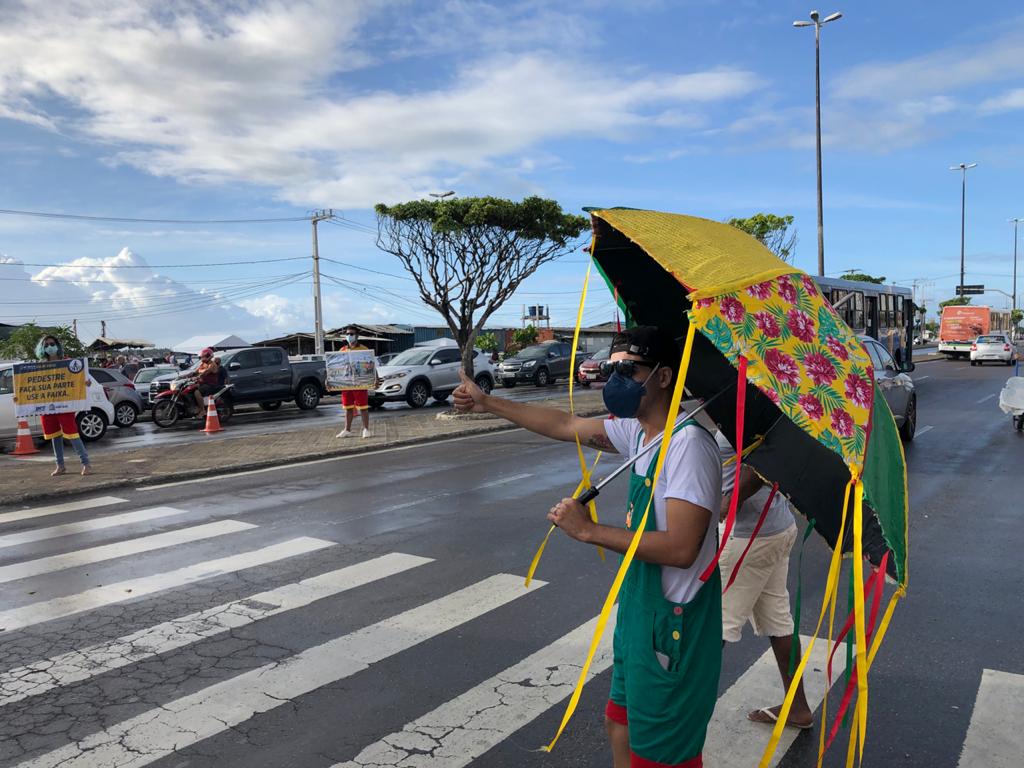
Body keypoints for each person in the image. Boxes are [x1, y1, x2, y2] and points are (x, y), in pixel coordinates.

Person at [454, 325, 722, 768]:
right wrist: (487, 402)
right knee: (621, 724)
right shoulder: (638, 434)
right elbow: (565, 423)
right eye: (612, 368)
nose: (616, 379)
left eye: (629, 370)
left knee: (662, 755)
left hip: (674, 626)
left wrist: (590, 531)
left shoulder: (687, 446)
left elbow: (680, 549)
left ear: (662, 376)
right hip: (639, 615)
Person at [714, 430, 813, 730]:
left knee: (711, 629)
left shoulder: (756, 396)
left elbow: (768, 458)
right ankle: (798, 708)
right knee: (778, 621)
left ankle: (677, 724)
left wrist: (729, 501)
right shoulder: (767, 395)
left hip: (749, 537)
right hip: (773, 528)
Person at [35, 334, 91, 477]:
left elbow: (79, 380)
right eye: (46, 345)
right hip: (47, 404)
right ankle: (60, 466)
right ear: (42, 348)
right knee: (54, 435)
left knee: (72, 433)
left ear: (57, 345)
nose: (49, 347)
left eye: (52, 344)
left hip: (65, 404)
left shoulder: (67, 362)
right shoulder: (40, 365)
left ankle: (86, 464)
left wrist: (86, 382)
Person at [336, 327, 376, 439]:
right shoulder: (342, 350)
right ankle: (347, 430)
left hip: (360, 383)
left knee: (363, 407)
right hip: (347, 384)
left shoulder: (364, 349)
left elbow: (371, 365)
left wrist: (375, 378)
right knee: (348, 408)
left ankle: (366, 429)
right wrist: (329, 380)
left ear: (357, 335)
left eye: (352, 334)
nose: (349, 336)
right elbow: (335, 368)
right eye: (347, 334)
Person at [192, 348, 221, 417]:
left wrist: (197, 376)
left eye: (205, 356)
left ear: (210, 356)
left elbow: (205, 372)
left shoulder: (212, 364)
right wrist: (182, 377)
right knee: (190, 389)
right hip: (202, 384)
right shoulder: (203, 364)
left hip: (210, 385)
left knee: (197, 392)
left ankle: (202, 410)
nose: (203, 357)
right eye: (202, 356)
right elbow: (195, 372)